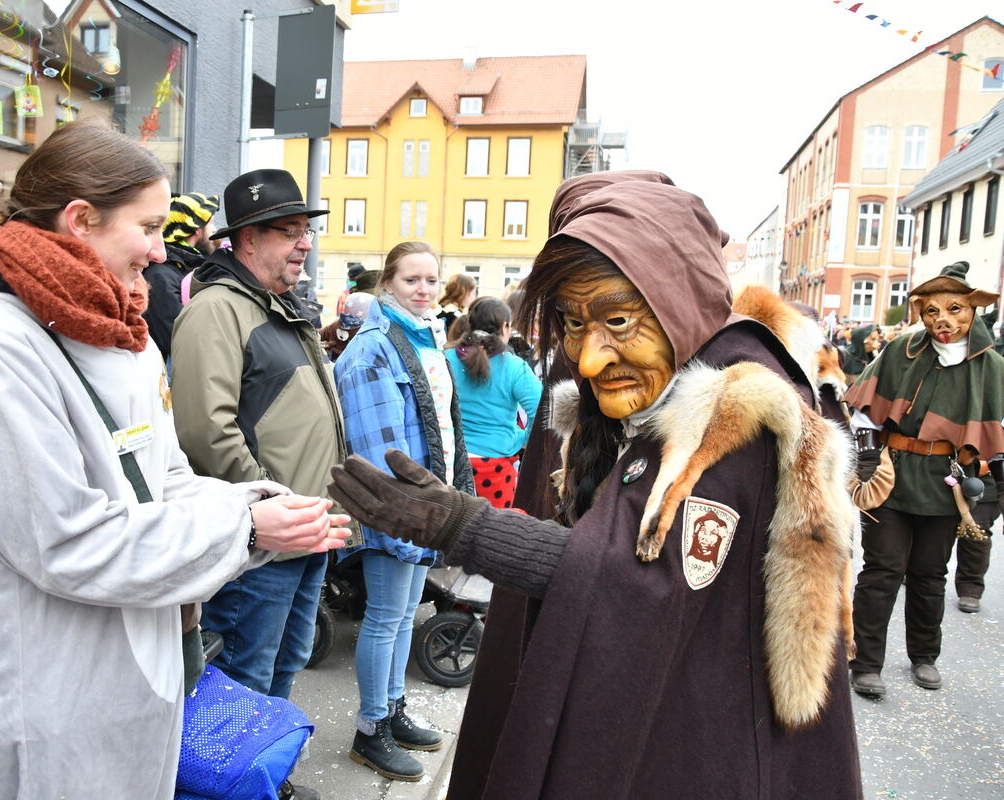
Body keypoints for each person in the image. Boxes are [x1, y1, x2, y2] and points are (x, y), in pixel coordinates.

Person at [328, 173, 862, 798]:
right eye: (573, 325)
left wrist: (462, 525)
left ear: (679, 300)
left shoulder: (734, 417)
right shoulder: (608, 394)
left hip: (698, 748)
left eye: (617, 319)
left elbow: (635, 583)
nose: (588, 358)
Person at [0, 122, 348, 800]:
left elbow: (161, 478)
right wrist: (245, 530)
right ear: (81, 221)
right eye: (148, 226)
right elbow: (68, 541)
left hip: (126, 674)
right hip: (49, 694)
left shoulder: (116, 331)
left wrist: (252, 503)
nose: (162, 251)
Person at [170, 168, 354, 800]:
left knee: (282, 667)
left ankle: (260, 777)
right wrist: (269, 509)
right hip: (260, 541)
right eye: (287, 231)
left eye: (306, 231)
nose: (303, 244)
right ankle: (225, 783)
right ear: (246, 239)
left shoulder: (279, 309)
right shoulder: (219, 309)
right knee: (242, 677)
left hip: (302, 535)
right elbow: (205, 432)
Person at [333, 240, 473, 782]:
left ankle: (391, 711)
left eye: (431, 280)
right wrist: (404, 518)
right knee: (385, 619)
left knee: (399, 619)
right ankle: (372, 731)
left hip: (423, 508)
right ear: (387, 283)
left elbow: (441, 430)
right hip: (399, 511)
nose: (423, 289)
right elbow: (379, 453)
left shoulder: (422, 337)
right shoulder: (374, 348)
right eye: (412, 280)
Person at [844, 261, 1004, 695]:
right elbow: (863, 413)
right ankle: (865, 662)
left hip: (946, 483)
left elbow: (994, 436)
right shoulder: (902, 351)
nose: (943, 321)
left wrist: (986, 485)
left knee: (930, 573)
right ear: (920, 313)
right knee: (881, 570)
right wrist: (864, 464)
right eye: (932, 311)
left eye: (955, 309)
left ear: (974, 310)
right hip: (891, 476)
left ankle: (924, 657)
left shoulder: (990, 366)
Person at [446, 296, 541, 509]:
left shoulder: (445, 358)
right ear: (505, 327)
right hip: (496, 468)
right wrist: (522, 439)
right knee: (493, 536)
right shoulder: (515, 367)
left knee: (452, 534)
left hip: (451, 462)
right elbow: (543, 410)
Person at [143, 191, 219, 373]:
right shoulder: (161, 275)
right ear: (196, 229)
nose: (215, 230)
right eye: (211, 223)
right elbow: (179, 340)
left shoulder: (185, 268)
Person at [319, 290, 373, 361]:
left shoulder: (335, 325)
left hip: (332, 361)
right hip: (353, 364)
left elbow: (319, 334)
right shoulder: (366, 330)